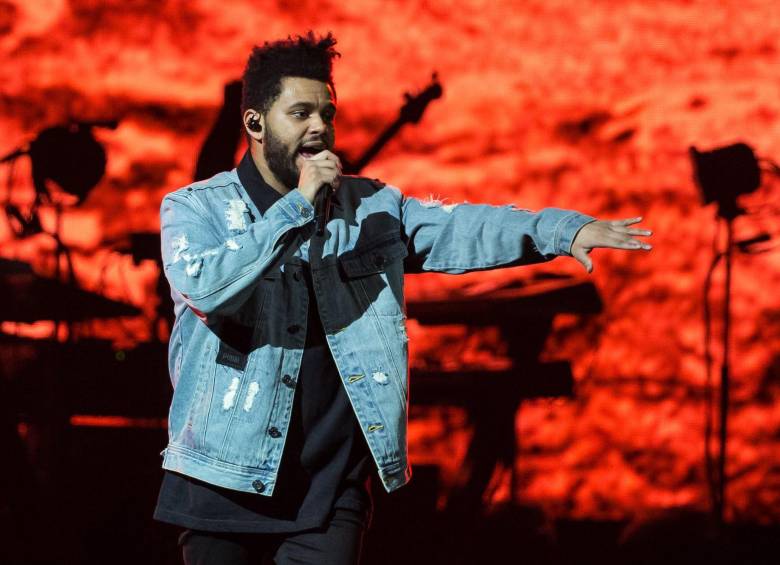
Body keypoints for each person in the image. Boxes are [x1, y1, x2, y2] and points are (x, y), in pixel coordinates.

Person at [153, 31, 652, 565]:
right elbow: (210, 286)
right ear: (255, 123)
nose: (320, 127)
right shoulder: (194, 210)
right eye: (300, 113)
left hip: (329, 489)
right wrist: (298, 205)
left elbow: (461, 227)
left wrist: (560, 232)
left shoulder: (369, 208)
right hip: (223, 479)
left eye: (327, 113)